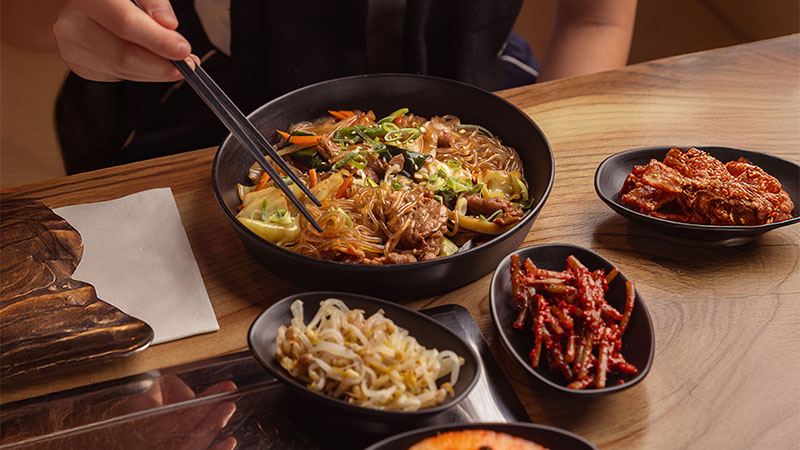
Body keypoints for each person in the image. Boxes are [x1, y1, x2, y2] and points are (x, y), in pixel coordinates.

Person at [2, 0, 636, 173]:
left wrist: (547, 169)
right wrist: (71, 13)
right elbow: (20, 20)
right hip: (215, 121)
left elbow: (596, 17)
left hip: (482, 105)